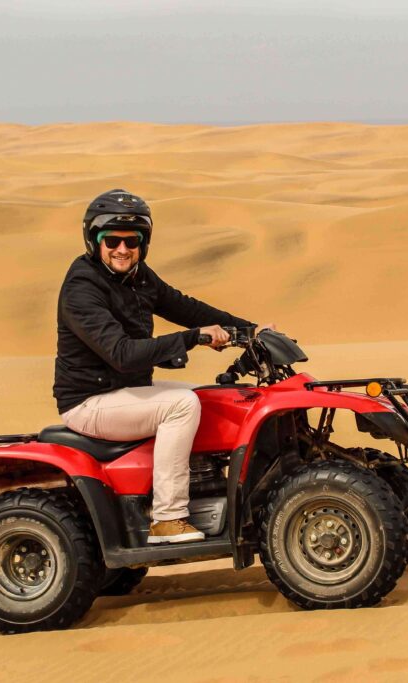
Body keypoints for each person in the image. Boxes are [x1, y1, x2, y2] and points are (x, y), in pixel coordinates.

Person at [53, 189, 270, 544]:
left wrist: (251, 331)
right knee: (182, 405)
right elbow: (122, 354)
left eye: (132, 241)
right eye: (112, 240)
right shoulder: (82, 286)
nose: (122, 249)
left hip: (126, 392)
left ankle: (213, 489)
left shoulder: (138, 276)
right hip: (89, 401)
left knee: (214, 398)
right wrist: (193, 338)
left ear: (143, 243)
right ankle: (168, 518)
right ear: (94, 241)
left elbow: (186, 308)